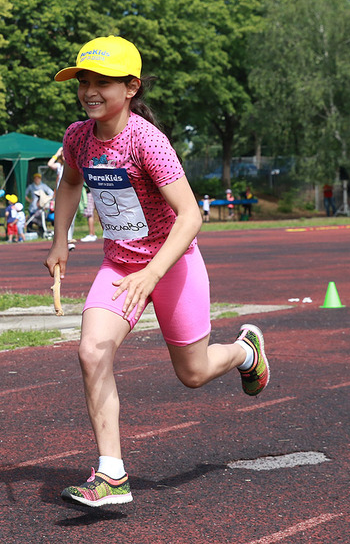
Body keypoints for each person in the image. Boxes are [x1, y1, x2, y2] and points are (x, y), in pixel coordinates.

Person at [45, 35, 270, 509]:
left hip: (173, 263)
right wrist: (60, 240)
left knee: (192, 373)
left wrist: (152, 274)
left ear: (131, 87)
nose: (90, 91)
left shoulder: (149, 142)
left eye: (102, 82)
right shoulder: (77, 137)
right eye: (83, 81)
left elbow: (190, 216)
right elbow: (69, 183)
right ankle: (111, 475)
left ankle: (245, 353)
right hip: (118, 265)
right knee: (91, 352)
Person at [48, 148, 77, 250]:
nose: (64, 156)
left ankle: (69, 239)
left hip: (71, 194)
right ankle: (63, 241)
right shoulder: (59, 166)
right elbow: (50, 164)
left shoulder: (74, 166)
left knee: (71, 218)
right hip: (61, 196)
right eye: (63, 154)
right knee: (61, 218)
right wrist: (57, 153)